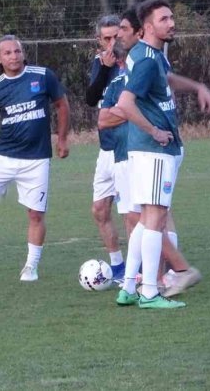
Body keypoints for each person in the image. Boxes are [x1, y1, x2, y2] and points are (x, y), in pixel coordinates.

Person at [112, 0, 210, 309]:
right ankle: (150, 293)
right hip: (154, 150)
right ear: (147, 27)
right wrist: (154, 131)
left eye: (171, 17)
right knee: (155, 219)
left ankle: (129, 287)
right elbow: (125, 104)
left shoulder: (149, 54)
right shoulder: (145, 59)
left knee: (146, 220)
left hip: (149, 151)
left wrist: (197, 87)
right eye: (164, 19)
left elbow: (165, 79)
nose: (172, 23)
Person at [0, 35, 69, 282]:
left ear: (23, 53)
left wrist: (62, 139)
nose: (14, 56)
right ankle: (2, 185)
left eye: (17, 51)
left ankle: (31, 266)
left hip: (37, 159)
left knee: (35, 214)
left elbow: (62, 105)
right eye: (7, 53)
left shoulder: (42, 76)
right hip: (4, 156)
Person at [84, 15, 126, 280]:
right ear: (99, 40)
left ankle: (147, 269)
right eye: (107, 38)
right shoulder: (100, 63)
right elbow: (91, 98)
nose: (112, 43)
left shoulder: (132, 62)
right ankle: (118, 267)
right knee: (100, 210)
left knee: (135, 213)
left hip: (127, 149)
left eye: (116, 37)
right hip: (106, 149)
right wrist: (103, 69)